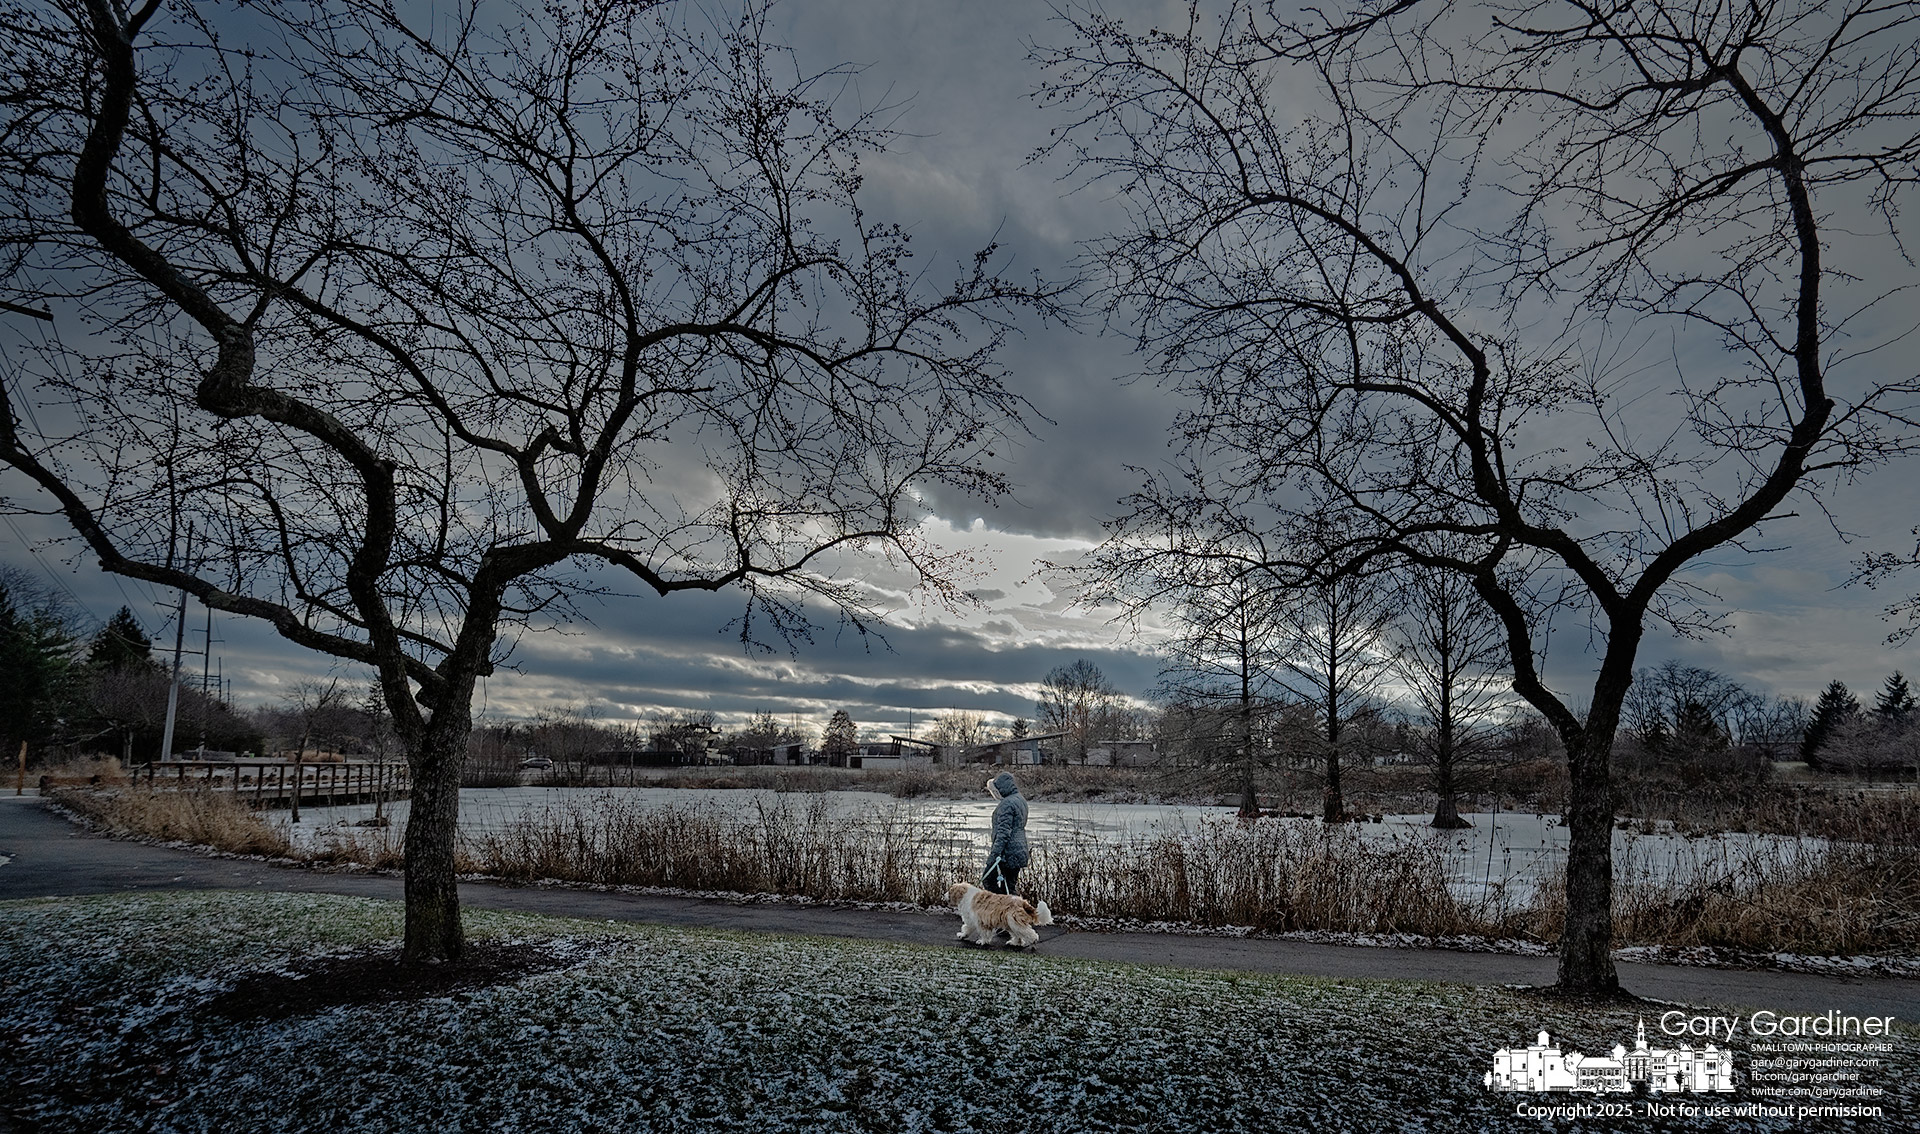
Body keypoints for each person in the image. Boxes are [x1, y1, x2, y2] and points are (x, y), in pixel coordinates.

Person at [981, 770, 1029, 894]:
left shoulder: (1006, 805)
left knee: (988, 879)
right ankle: (1011, 908)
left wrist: (994, 855)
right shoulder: (1020, 799)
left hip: (1007, 852)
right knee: (1009, 886)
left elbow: (1003, 833)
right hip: (1020, 849)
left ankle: (1000, 906)